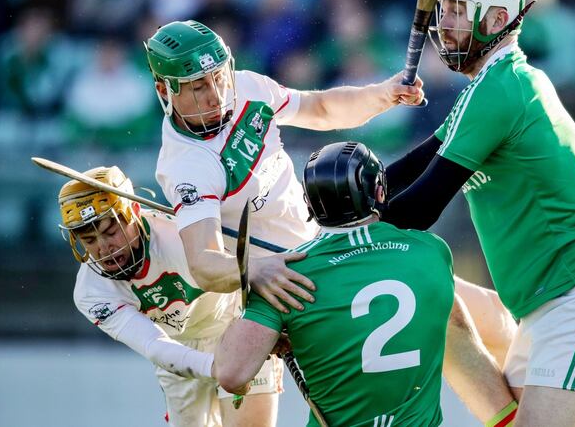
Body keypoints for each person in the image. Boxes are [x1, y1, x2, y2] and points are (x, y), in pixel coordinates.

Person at [379, 0, 575, 426]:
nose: (446, 22)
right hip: (546, 308)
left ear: (497, 19)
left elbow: (423, 205)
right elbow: (415, 164)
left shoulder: (504, 86)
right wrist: (353, 191)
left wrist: (347, 231)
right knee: (438, 301)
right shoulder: (487, 87)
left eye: (459, 10)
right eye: (446, 9)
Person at [215, 142, 518, 427]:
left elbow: (231, 375)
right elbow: (455, 329)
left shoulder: (283, 277)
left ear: (310, 204)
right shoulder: (432, 251)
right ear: (380, 191)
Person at [148, 20, 424, 314]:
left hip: (324, 239)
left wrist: (383, 94)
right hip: (287, 283)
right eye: (198, 86)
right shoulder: (186, 166)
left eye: (218, 77)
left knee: (429, 287)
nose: (215, 95)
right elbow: (204, 263)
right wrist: (255, 270)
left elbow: (321, 108)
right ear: (164, 90)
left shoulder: (247, 87)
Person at [59, 166, 282, 427]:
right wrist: (217, 368)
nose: (103, 248)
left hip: (234, 321)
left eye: (111, 232)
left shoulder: (181, 234)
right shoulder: (92, 292)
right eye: (89, 240)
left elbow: (252, 271)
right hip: (177, 351)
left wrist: (269, 325)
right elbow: (154, 345)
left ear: (134, 211)